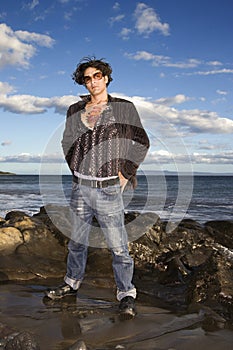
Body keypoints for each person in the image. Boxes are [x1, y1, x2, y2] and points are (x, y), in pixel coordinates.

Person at [45, 56, 150, 319]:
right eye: (87, 78)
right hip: (80, 187)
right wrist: (76, 167)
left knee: (118, 247)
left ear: (106, 77)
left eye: (97, 76)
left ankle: (126, 294)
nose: (93, 82)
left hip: (108, 188)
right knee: (77, 242)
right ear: (83, 82)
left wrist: (125, 172)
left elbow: (142, 141)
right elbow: (66, 141)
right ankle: (71, 284)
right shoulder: (74, 110)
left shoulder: (125, 108)